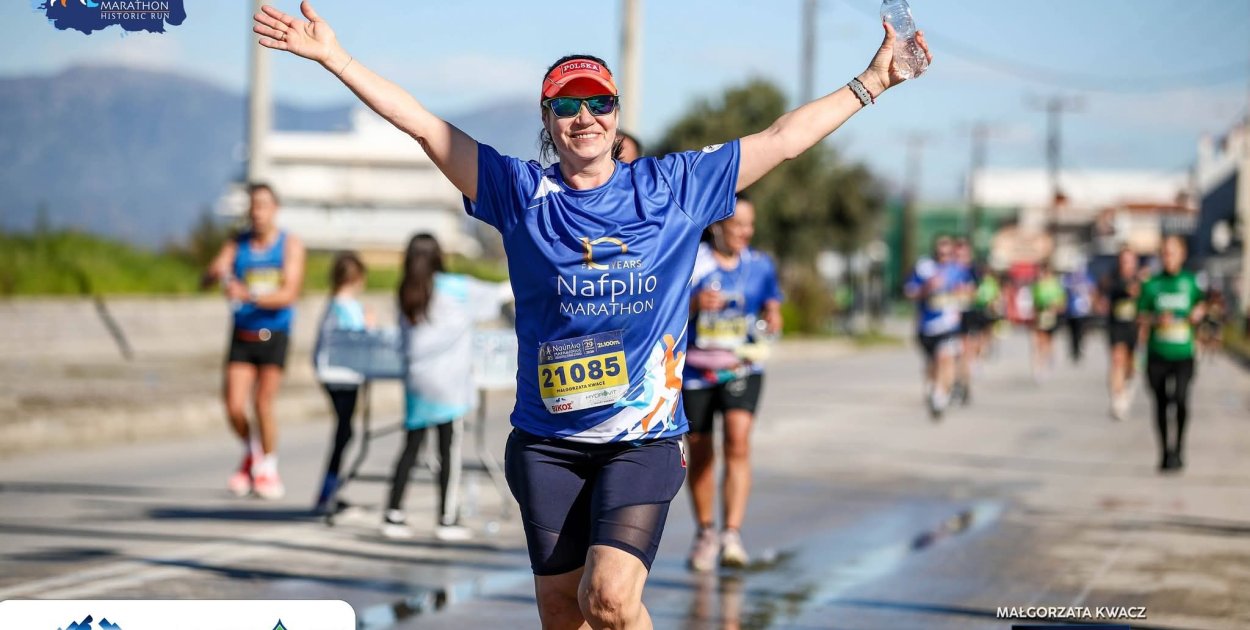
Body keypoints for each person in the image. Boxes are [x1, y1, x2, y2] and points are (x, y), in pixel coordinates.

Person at [253, 3, 929, 626]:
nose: (585, 117)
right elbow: (425, 127)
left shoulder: (675, 189)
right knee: (562, 613)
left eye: (598, 102)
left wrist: (873, 80)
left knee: (608, 598)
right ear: (547, 120)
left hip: (641, 440)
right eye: (567, 105)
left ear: (615, 111)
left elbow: (783, 138)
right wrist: (336, 59)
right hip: (548, 444)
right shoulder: (518, 193)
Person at [383, 233, 512, 541]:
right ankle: (446, 518)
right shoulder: (455, 287)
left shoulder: (405, 290)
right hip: (449, 383)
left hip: (417, 380)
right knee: (448, 450)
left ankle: (393, 513)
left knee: (412, 445)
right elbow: (497, 295)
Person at [682, 198, 782, 572]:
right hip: (694, 369)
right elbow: (663, 305)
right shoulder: (695, 260)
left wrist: (773, 317)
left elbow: (772, 304)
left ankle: (732, 535)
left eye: (749, 226)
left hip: (742, 366)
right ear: (717, 226)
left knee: (738, 441)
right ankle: (706, 531)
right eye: (737, 225)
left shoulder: (760, 265)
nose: (744, 233)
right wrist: (694, 303)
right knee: (701, 451)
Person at [204, 182, 306, 500]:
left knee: (263, 402)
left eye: (263, 205)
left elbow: (289, 294)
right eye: (252, 206)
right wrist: (216, 273)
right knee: (234, 407)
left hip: (275, 333)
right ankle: (253, 453)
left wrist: (248, 294)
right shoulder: (238, 243)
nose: (257, 212)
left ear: (275, 209)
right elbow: (209, 276)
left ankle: (268, 468)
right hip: (242, 332)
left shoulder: (290, 245)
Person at [311, 251, 375, 514]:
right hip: (344, 378)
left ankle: (330, 490)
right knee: (344, 433)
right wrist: (368, 325)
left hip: (329, 375)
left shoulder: (331, 305)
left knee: (344, 432)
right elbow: (357, 339)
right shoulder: (346, 306)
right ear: (356, 278)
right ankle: (328, 492)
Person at [1138, 235, 1205, 472]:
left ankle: (1179, 448)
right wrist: (1156, 318)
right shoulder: (1151, 284)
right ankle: (1165, 452)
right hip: (1157, 353)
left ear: (1182, 254)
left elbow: (1203, 304)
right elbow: (1141, 314)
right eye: (1165, 252)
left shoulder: (1190, 282)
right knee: (1161, 403)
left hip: (1183, 353)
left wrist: (1199, 312)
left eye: (1173, 252)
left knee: (1181, 399)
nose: (1168, 257)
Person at [904, 235, 971, 419]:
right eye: (941, 252)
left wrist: (962, 294)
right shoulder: (924, 268)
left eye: (948, 253)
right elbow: (909, 291)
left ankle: (940, 397)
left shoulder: (958, 270)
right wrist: (926, 288)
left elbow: (968, 293)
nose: (944, 256)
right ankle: (933, 388)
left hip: (948, 326)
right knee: (931, 364)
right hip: (926, 326)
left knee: (946, 359)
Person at [1101, 247, 1141, 421]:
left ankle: (1125, 386)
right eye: (1124, 261)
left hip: (1133, 328)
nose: (1127, 265)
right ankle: (1117, 399)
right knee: (1117, 359)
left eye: (1130, 261)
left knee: (1130, 366)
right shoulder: (1113, 280)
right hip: (1116, 326)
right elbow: (1108, 291)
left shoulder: (1142, 280)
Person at [952, 237, 976, 405]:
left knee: (964, 353)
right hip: (950, 315)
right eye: (958, 254)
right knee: (951, 352)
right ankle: (953, 383)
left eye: (964, 254)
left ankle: (964, 384)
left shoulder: (972, 271)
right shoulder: (948, 270)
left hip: (967, 315)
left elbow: (973, 293)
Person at [1031, 262, 1064, 382]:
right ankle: (1040, 365)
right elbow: (1034, 302)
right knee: (1039, 340)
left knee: (1048, 341)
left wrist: (1054, 307)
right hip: (1041, 316)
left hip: (1052, 316)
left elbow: (1062, 302)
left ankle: (1048, 359)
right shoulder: (1038, 285)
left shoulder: (1055, 285)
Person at [1062, 261, 1097, 364]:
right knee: (1072, 332)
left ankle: (1080, 348)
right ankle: (1074, 351)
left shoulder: (1087, 278)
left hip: (1083, 310)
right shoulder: (1068, 279)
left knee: (1081, 331)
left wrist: (1092, 304)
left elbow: (1092, 291)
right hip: (1071, 311)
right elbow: (1064, 293)